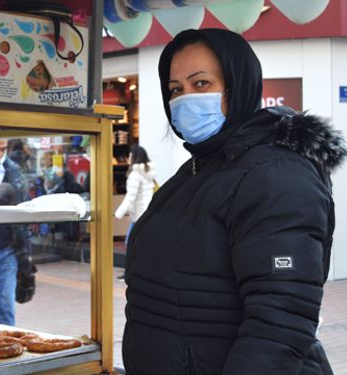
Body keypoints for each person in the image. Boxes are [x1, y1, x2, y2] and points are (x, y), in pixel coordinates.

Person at [122, 29, 344, 375]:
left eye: (201, 84)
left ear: (239, 86)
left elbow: (279, 324)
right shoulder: (200, 169)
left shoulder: (277, 174)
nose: (184, 100)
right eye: (176, 89)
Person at [0, 139, 36, 326]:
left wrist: (26, 254)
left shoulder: (13, 170)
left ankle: (4, 348)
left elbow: (23, 214)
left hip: (7, 249)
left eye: (3, 149)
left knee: (6, 306)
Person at [114, 145, 155, 246]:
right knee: (141, 243)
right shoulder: (148, 173)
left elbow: (130, 197)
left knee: (130, 243)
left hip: (138, 214)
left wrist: (119, 213)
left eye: (130, 156)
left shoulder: (135, 175)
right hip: (147, 213)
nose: (128, 158)